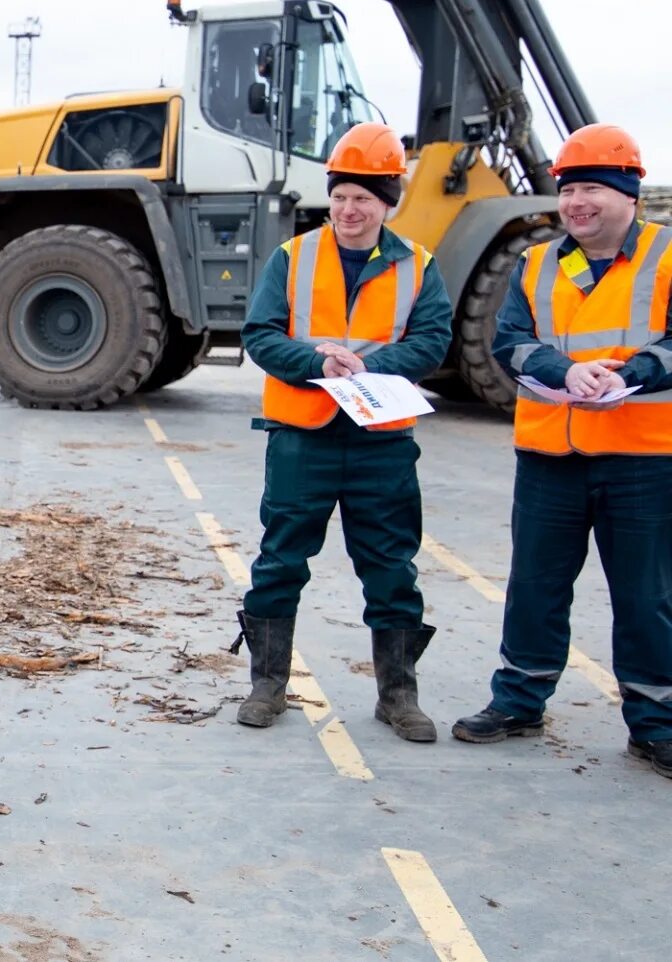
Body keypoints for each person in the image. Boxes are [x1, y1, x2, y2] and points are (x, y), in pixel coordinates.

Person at [452, 123, 672, 779]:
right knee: (535, 587)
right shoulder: (542, 262)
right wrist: (562, 370)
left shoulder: (664, 258)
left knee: (646, 596)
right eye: (569, 189)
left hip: (641, 458)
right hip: (551, 455)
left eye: (592, 190)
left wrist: (633, 373)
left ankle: (656, 722)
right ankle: (519, 699)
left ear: (627, 195)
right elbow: (509, 341)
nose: (577, 203)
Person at [234, 122, 454, 742]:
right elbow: (261, 335)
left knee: (390, 564)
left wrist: (370, 366)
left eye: (363, 198)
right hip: (302, 434)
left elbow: (433, 341)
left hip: (381, 440)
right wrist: (316, 364)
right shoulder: (294, 257)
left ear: (388, 203)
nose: (348, 210)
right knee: (280, 559)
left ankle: (398, 695)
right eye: (339, 197)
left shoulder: (419, 267)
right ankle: (268, 684)